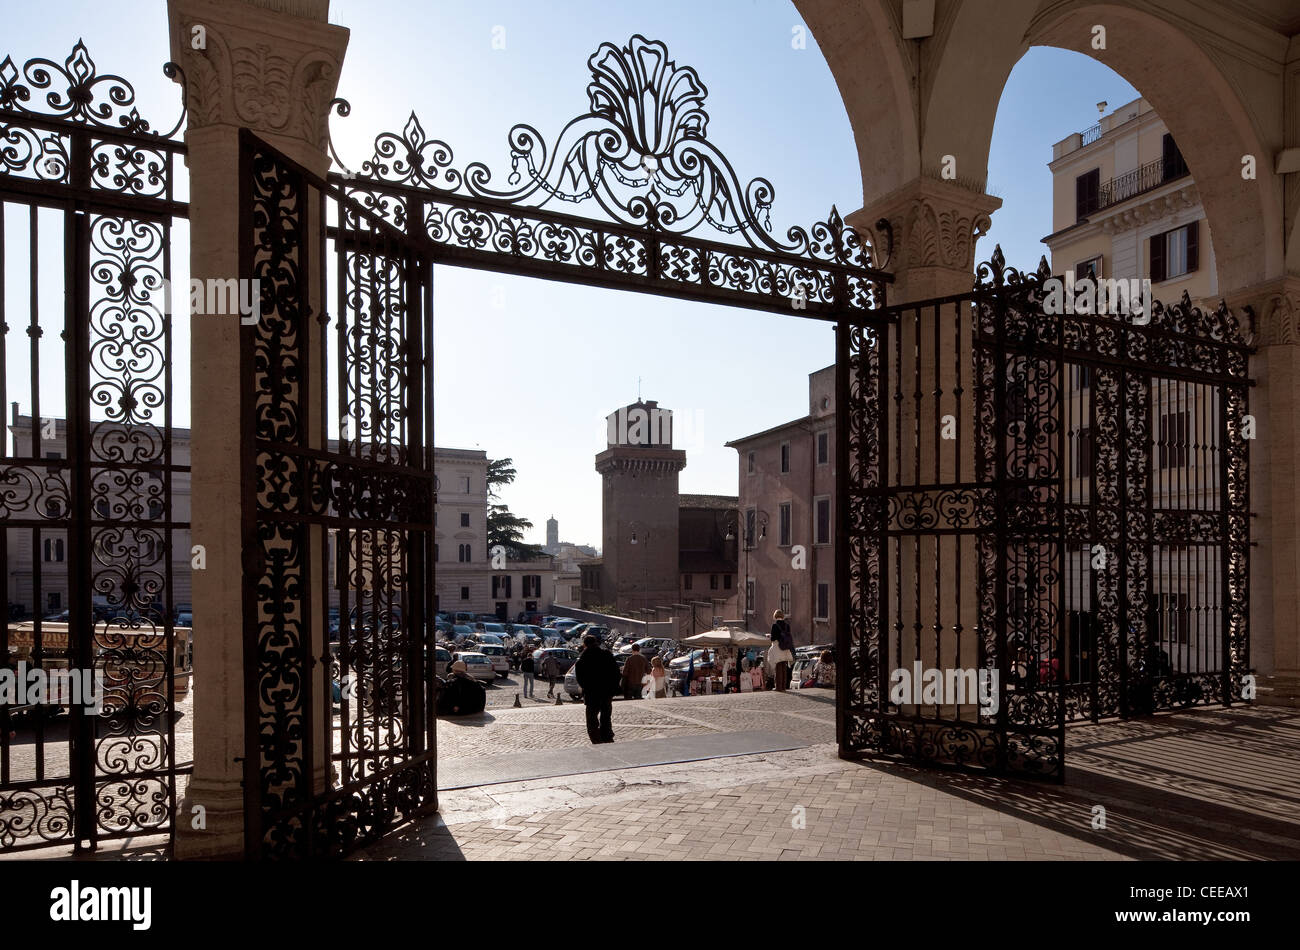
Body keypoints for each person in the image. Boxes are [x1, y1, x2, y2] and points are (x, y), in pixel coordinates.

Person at [574, 634, 619, 743]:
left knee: (592, 718)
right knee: (606, 716)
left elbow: (580, 679)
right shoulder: (607, 655)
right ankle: (607, 736)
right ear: (596, 642)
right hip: (606, 692)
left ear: (584, 645)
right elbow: (616, 673)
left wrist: (586, 688)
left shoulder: (582, 660)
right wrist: (612, 687)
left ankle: (595, 738)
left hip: (591, 694)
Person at [769, 610, 794, 691]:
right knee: (784, 667)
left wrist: (769, 636)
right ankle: (783, 686)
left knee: (778, 667)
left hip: (778, 648)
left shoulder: (775, 625)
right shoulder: (787, 625)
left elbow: (773, 638)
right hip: (786, 648)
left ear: (775, 616)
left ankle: (778, 687)